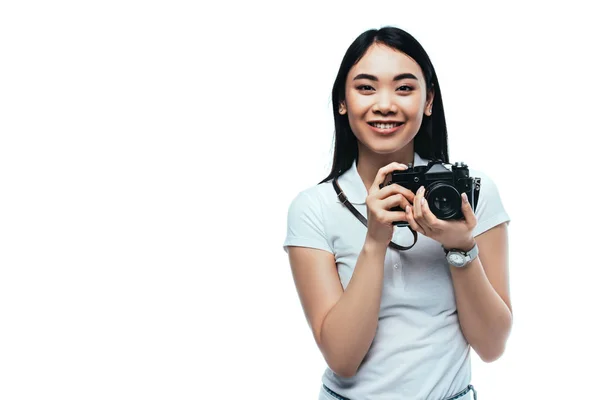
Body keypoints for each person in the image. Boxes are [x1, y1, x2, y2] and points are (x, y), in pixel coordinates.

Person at [283, 26, 512, 400]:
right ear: (342, 101)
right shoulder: (314, 208)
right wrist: (374, 240)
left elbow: (492, 346)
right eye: (366, 87)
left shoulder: (470, 195)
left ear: (429, 100)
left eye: (404, 88)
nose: (385, 104)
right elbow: (342, 358)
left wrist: (461, 249)